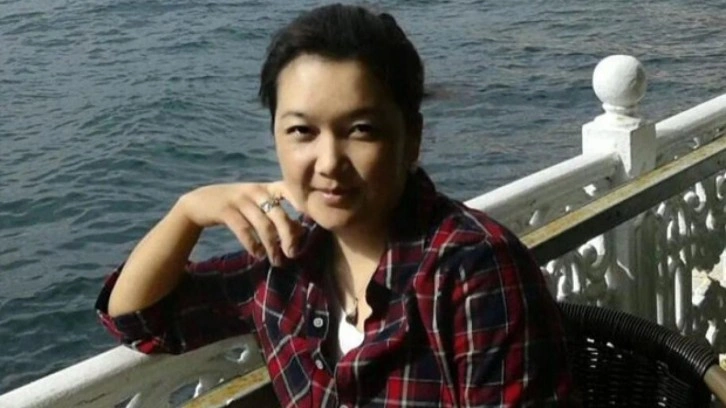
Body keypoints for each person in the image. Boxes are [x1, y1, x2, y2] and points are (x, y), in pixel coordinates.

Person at [96, 4, 575, 407]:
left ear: (412, 138)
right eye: (301, 131)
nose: (329, 163)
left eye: (361, 130)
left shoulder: (471, 270)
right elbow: (137, 319)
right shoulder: (286, 266)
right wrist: (188, 212)